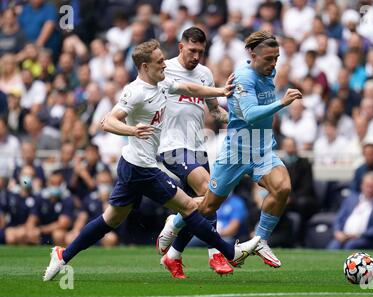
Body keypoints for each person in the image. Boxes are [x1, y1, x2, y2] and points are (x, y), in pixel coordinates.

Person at [43, 39, 260, 282]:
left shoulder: (163, 82)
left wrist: (220, 91)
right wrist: (132, 130)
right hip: (141, 168)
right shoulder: (135, 92)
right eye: (159, 62)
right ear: (145, 66)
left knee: (110, 220)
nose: (164, 66)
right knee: (189, 207)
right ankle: (231, 252)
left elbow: (189, 89)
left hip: (133, 166)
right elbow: (107, 121)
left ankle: (63, 255)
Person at [158, 31, 302, 269]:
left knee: (283, 188)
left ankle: (261, 240)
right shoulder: (243, 78)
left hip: (262, 148)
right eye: (268, 59)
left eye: (276, 58)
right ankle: (174, 222)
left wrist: (233, 116)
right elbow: (250, 114)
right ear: (253, 56)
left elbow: (233, 114)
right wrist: (281, 103)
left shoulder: (269, 72)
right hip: (236, 152)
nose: (273, 63)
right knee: (207, 206)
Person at [157, 27, 232, 277]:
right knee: (209, 191)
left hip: (198, 147)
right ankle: (216, 253)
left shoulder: (205, 74)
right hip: (172, 145)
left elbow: (214, 111)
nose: (196, 56)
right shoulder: (164, 69)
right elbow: (189, 91)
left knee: (203, 206)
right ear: (181, 47)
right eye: (192, 51)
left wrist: (234, 119)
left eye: (200, 52)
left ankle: (174, 253)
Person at [328, 172, 373, 250]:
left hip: (364, 239)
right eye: (368, 186)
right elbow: (339, 218)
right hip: (343, 235)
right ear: (362, 186)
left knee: (350, 245)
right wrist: (337, 232)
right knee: (334, 245)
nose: (370, 189)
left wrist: (358, 235)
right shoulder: (350, 199)